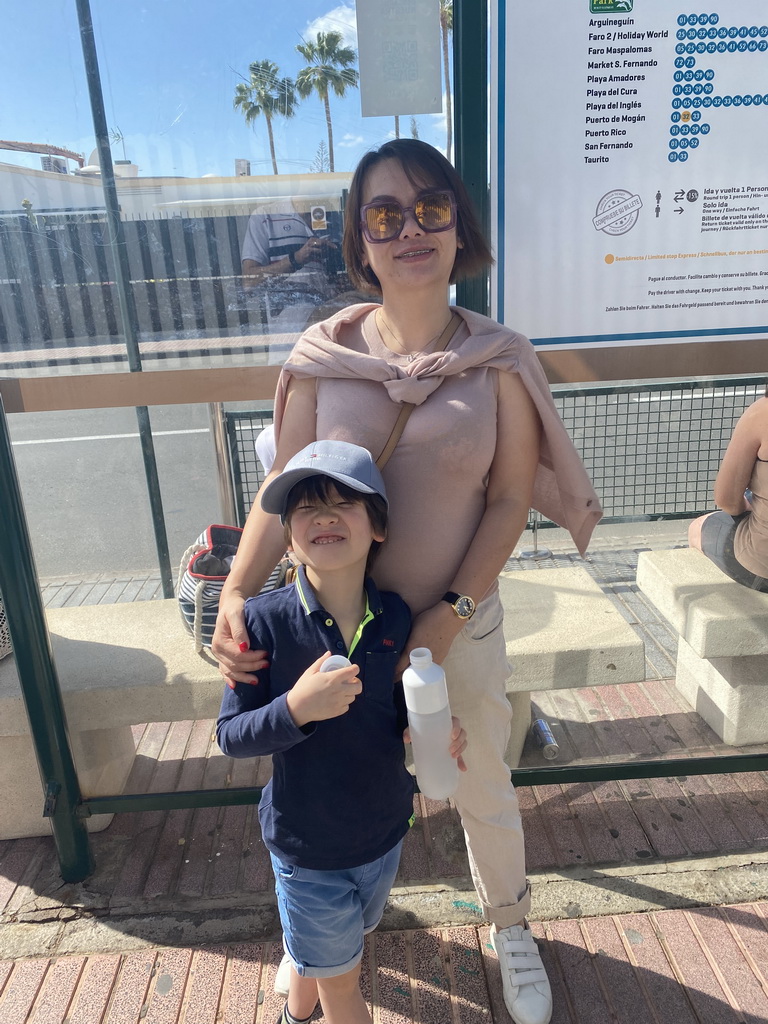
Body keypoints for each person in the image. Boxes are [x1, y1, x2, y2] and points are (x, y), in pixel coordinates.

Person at [213, 139, 601, 1024]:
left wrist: (448, 616)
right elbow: (285, 496)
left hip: (451, 630)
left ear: (460, 224)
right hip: (326, 630)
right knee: (310, 779)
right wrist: (239, 592)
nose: (409, 229)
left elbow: (508, 502)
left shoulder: (499, 359)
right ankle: (308, 939)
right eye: (383, 214)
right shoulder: (324, 354)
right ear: (360, 240)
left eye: (431, 207)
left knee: (479, 783)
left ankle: (509, 926)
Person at [216, 439, 467, 1024]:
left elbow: (394, 711)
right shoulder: (262, 622)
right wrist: (296, 708)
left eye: (343, 504)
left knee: (332, 950)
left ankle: (293, 1014)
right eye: (305, 509)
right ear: (287, 534)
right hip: (308, 847)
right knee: (345, 987)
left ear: (378, 527)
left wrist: (435, 727)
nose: (324, 517)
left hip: (384, 833)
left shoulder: (397, 616)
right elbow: (231, 736)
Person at [688, 388, 768, 591]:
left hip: (762, 564)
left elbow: (727, 500)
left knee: (697, 528)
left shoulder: (761, 413)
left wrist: (745, 505)